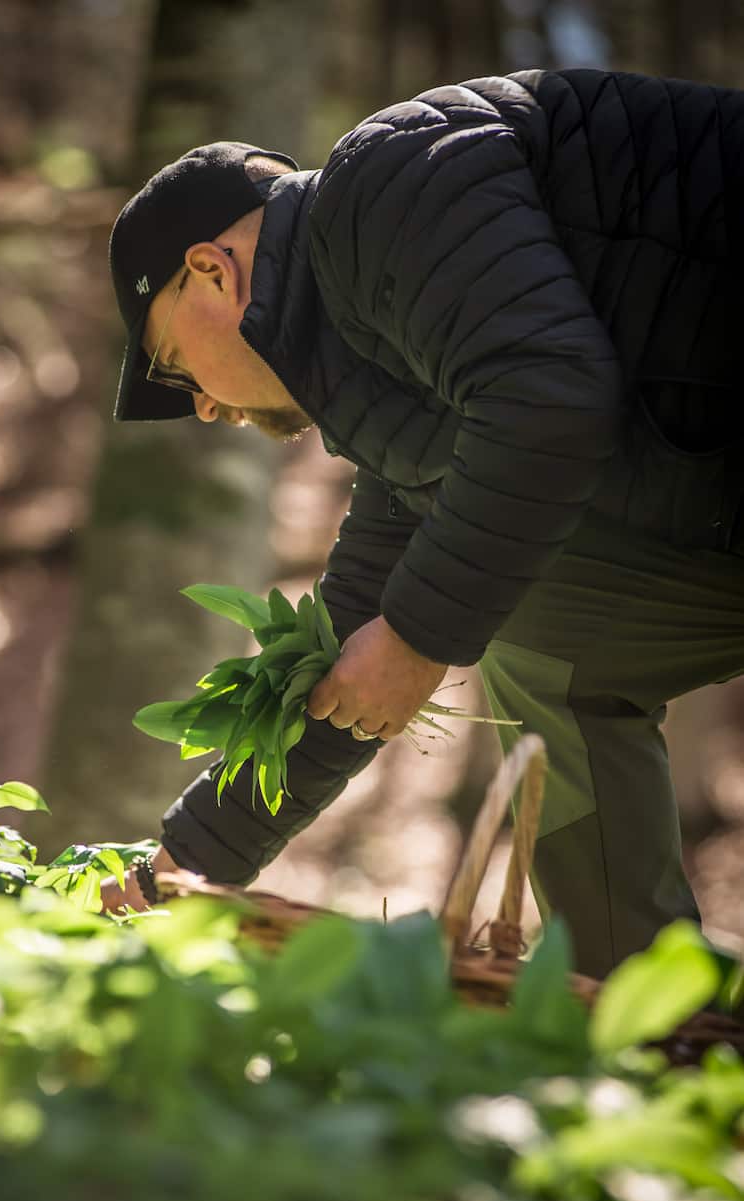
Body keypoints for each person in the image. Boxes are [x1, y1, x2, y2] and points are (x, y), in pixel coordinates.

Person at [105, 67, 744, 978]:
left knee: (519, 624)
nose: (203, 408)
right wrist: (186, 864)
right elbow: (348, 651)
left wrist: (417, 637)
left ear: (212, 270)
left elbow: (551, 401)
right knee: (551, 648)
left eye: (175, 368)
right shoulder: (385, 383)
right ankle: (656, 1013)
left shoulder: (392, 179)